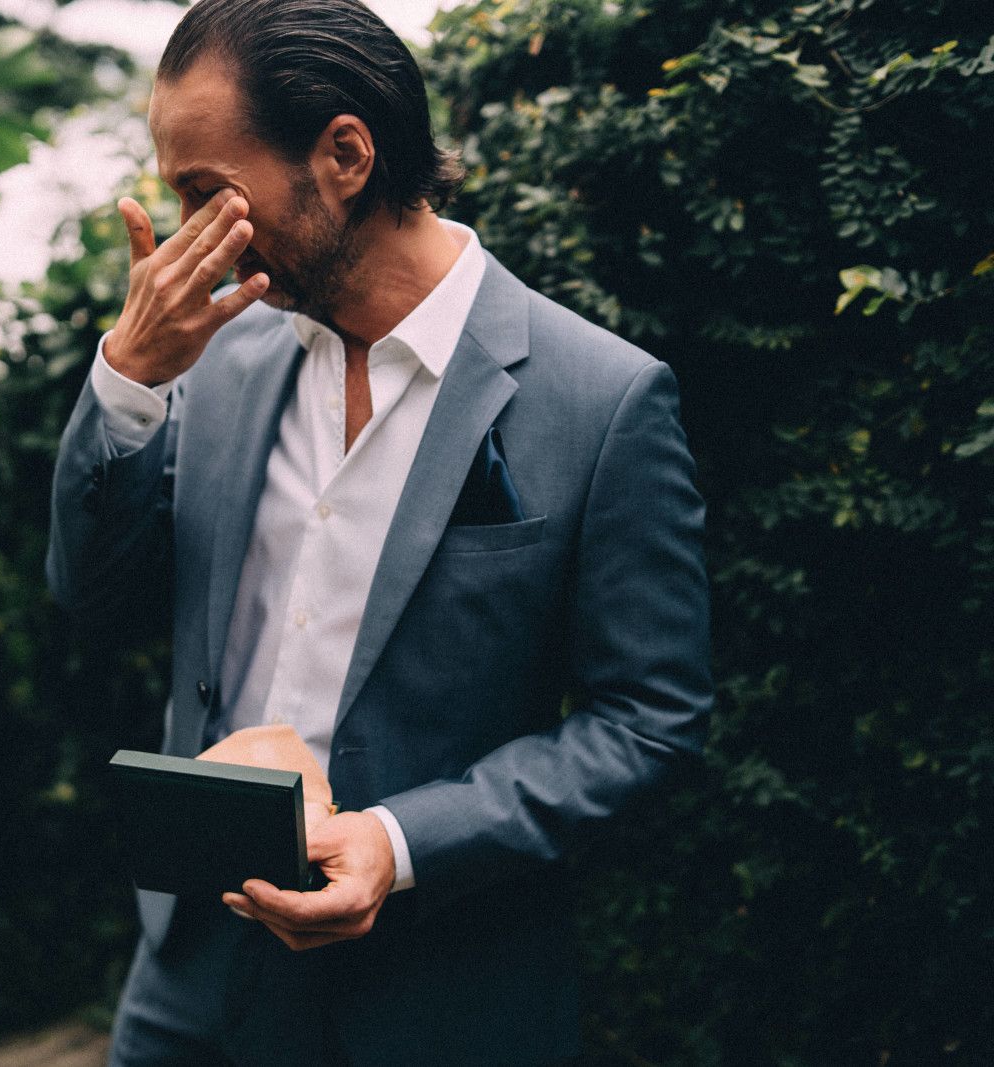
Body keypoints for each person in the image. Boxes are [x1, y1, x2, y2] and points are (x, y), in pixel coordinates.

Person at [45, 0, 713, 1063]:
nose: (185, 241)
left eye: (204, 194)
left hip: (438, 987)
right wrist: (125, 385)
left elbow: (647, 720)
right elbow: (95, 601)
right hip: (191, 979)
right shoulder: (213, 357)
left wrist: (399, 844)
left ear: (345, 154)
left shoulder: (602, 400)